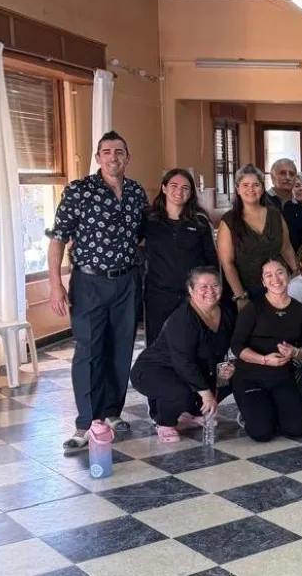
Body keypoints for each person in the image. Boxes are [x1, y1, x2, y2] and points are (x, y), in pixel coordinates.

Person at [49, 131, 148, 450]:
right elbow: (58, 239)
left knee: (121, 348)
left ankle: (111, 413)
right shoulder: (78, 191)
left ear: (127, 157)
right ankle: (85, 423)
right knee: (89, 351)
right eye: (106, 151)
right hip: (89, 282)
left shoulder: (135, 192)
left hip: (127, 280)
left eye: (119, 151)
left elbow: (144, 235)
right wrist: (55, 284)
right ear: (98, 158)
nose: (113, 157)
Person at [130, 267, 233, 442]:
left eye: (215, 285)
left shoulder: (226, 313)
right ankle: (165, 422)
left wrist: (226, 371)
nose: (210, 291)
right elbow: (182, 361)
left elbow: (223, 351)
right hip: (154, 370)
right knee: (182, 390)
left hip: (191, 369)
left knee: (232, 378)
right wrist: (206, 393)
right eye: (203, 287)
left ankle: (189, 413)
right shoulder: (182, 319)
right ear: (191, 290)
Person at [230, 258, 302, 442]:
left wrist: (294, 352)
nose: (275, 279)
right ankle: (255, 411)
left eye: (280, 272)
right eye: (268, 275)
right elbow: (237, 346)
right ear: (263, 281)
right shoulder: (253, 307)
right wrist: (264, 360)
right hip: (250, 376)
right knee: (261, 433)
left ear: (288, 275)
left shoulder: (300, 311)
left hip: (282, 377)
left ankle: (269, 409)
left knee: (296, 429)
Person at [141, 168, 218, 347]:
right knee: (158, 346)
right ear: (164, 188)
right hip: (158, 296)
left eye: (185, 188)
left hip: (193, 297)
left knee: (191, 346)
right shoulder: (148, 219)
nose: (179, 191)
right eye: (174, 186)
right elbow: (127, 243)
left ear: (191, 193)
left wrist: (210, 293)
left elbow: (211, 261)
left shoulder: (200, 221)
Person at [218, 165, 298, 309]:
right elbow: (227, 263)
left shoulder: (275, 214)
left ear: (262, 188)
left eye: (256, 185)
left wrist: (298, 276)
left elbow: (286, 248)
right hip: (247, 290)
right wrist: (240, 296)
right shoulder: (228, 220)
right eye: (245, 185)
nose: (251, 189)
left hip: (278, 287)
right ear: (237, 189)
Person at [266, 158, 302, 251]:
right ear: (272, 177)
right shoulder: (261, 202)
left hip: (293, 262)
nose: (288, 177)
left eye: (292, 174)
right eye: (282, 173)